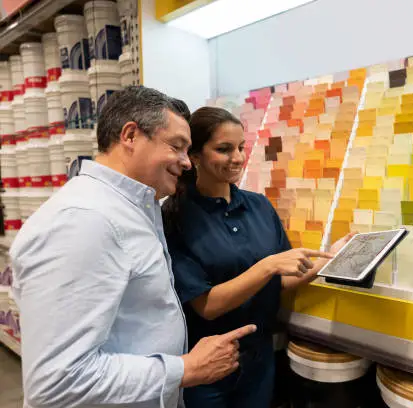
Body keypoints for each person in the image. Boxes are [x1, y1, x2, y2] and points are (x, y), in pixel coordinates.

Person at [9, 87, 256, 408]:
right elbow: (56, 382)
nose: (186, 162)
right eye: (177, 147)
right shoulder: (83, 221)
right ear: (130, 135)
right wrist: (185, 369)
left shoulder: (136, 207)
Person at [162, 106, 353, 408]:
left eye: (241, 147)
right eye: (223, 149)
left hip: (260, 361)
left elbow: (283, 279)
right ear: (194, 155)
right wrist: (267, 267)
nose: (237, 158)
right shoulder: (176, 217)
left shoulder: (259, 206)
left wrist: (332, 257)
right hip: (209, 365)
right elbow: (207, 306)